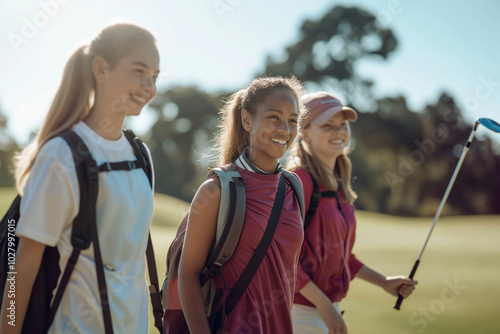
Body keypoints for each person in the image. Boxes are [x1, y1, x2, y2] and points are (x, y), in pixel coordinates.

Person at [0, 23, 160, 333]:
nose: (149, 86)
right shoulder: (61, 154)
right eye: (139, 71)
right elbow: (23, 269)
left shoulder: (142, 156)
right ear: (101, 68)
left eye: (154, 76)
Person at [173, 76, 306, 334]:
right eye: (274, 117)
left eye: (293, 121)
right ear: (247, 120)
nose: (285, 130)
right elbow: (187, 276)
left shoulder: (293, 188)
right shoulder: (216, 190)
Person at [286, 91, 417, 334]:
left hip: (325, 309)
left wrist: (384, 282)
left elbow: (341, 255)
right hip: (298, 313)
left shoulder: (338, 185)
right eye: (328, 125)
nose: (339, 131)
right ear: (304, 132)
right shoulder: (298, 181)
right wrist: (325, 306)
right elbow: (281, 258)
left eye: (343, 125)